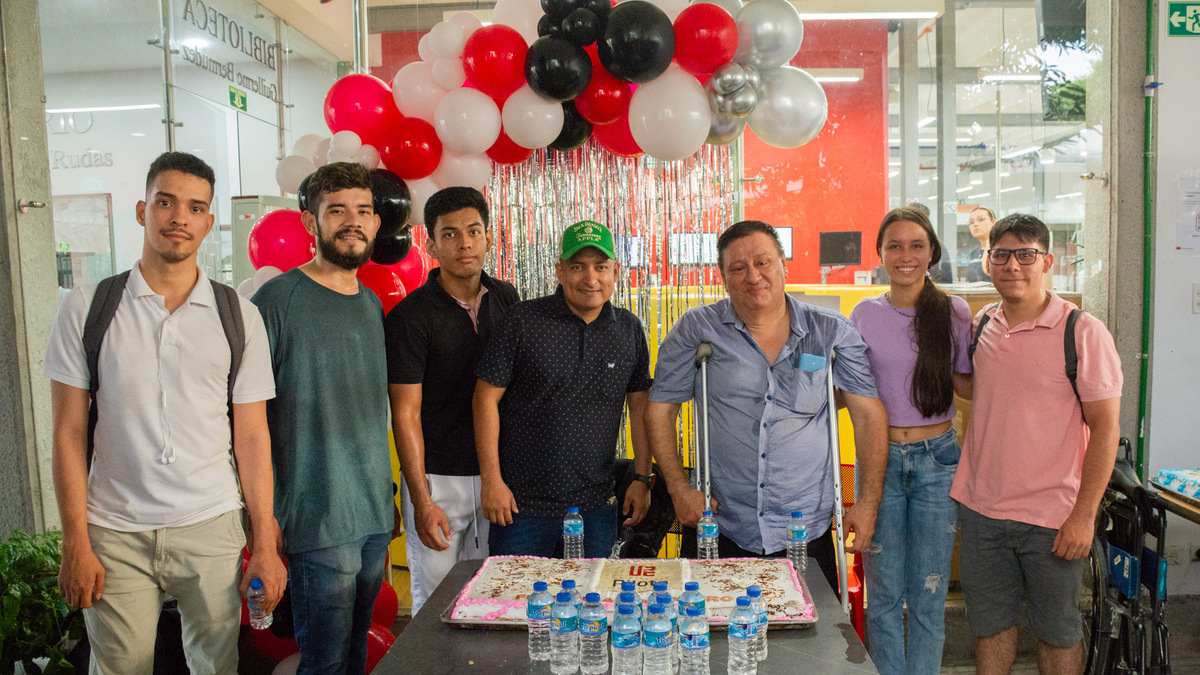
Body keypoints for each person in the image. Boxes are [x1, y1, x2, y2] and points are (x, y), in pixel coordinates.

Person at [46, 151, 286, 674]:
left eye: (195, 207)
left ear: (208, 221)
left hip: (212, 525)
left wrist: (263, 541)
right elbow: (67, 433)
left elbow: (252, 437)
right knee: (119, 668)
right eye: (166, 202)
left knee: (217, 665)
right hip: (115, 530)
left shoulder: (237, 315)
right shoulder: (89, 307)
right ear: (142, 210)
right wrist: (75, 540)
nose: (179, 217)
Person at [646, 220, 888, 592]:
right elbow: (661, 409)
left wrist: (867, 503)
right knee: (717, 639)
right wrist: (679, 490)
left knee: (812, 641)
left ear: (782, 265)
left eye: (763, 263)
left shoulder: (831, 332)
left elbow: (868, 416)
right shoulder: (697, 330)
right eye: (738, 268)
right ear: (723, 277)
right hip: (721, 521)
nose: (753, 276)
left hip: (804, 526)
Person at [951, 214, 1122, 675]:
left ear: (1046, 260)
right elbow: (977, 391)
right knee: (989, 629)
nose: (1013, 265)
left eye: (1025, 254)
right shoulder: (983, 324)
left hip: (1053, 518)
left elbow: (1105, 429)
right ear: (988, 262)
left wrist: (1084, 516)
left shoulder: (1081, 332)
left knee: (1057, 632)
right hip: (982, 510)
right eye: (1001, 255)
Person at [252, 162, 394, 674]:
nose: (352, 222)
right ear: (311, 223)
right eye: (337, 211)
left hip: (373, 515)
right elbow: (245, 420)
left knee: (354, 655)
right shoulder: (276, 301)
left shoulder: (371, 305)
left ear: (377, 223)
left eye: (362, 211)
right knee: (326, 663)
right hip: (315, 515)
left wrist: (388, 499)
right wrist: (264, 518)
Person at [474, 220, 653, 557]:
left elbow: (640, 406)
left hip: (596, 506)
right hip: (520, 506)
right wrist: (491, 482)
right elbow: (485, 399)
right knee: (515, 606)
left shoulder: (628, 329)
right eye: (577, 267)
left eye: (601, 267)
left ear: (615, 271)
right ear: (560, 270)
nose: (590, 278)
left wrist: (642, 478)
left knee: (591, 605)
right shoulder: (523, 321)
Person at [385, 187, 519, 614]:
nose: (464, 243)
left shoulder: (507, 300)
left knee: (487, 600)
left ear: (488, 238)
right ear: (431, 244)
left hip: (496, 475)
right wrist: (421, 500)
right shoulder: (411, 316)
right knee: (435, 607)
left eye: (474, 231)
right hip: (438, 480)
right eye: (450, 234)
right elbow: (404, 413)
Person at [851, 207, 973, 675]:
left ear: (932, 253)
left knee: (929, 592)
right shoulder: (864, 313)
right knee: (883, 595)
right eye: (895, 246)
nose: (906, 256)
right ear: (880, 254)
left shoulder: (954, 312)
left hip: (937, 460)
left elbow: (967, 386)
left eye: (916, 245)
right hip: (878, 461)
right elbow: (849, 391)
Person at [963, 206, 996, 282]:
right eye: (971, 222)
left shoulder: (1001, 251)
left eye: (981, 219)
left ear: (993, 222)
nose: (975, 224)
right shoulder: (973, 254)